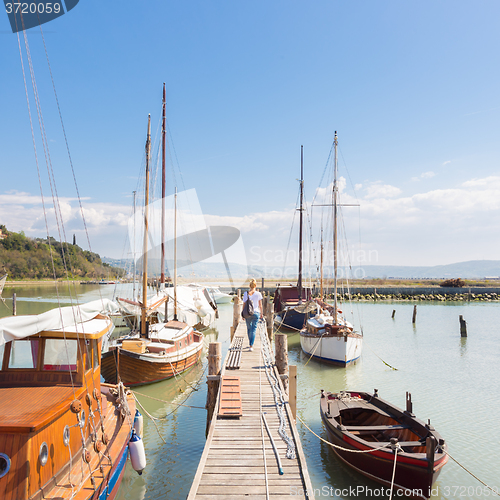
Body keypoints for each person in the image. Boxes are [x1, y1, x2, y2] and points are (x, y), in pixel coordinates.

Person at [243, 278, 263, 351]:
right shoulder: (258, 294)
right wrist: (261, 313)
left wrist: (242, 313)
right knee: (253, 330)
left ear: (249, 285)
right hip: (256, 313)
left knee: (249, 328)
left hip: (248, 313)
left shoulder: (246, 293)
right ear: (255, 285)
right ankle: (251, 346)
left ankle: (250, 343)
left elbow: (244, 304)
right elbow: (260, 305)